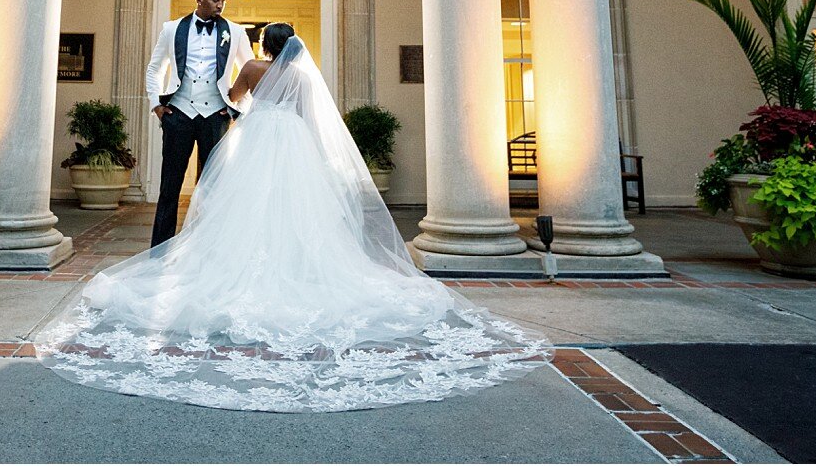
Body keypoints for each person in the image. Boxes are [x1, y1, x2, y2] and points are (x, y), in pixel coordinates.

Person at [34, 23, 553, 413]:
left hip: (259, 140)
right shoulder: (303, 77)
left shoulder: (256, 70)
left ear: (264, 45)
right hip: (295, 144)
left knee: (246, 209)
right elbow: (311, 118)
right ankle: (302, 269)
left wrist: (242, 108)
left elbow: (234, 100)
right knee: (301, 215)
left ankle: (242, 269)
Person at [142, 0, 255, 246]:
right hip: (178, 114)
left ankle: (209, 247)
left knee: (213, 187)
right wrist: (156, 105)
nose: (220, 4)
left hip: (216, 117)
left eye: (223, 0)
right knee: (169, 186)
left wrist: (240, 110)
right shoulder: (171, 29)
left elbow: (248, 71)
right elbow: (154, 68)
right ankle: (160, 248)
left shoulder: (236, 32)